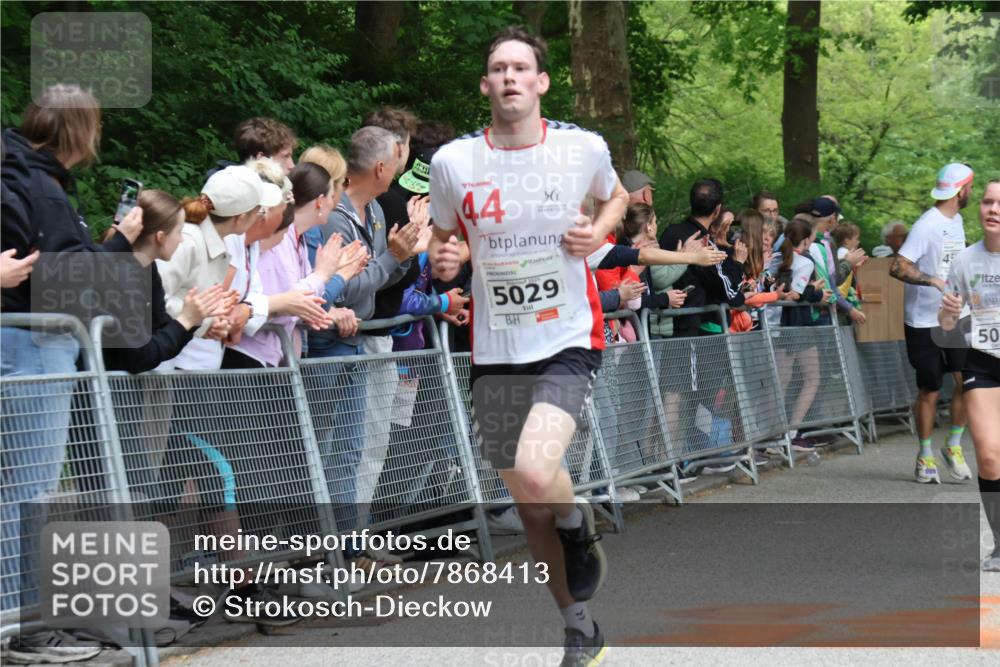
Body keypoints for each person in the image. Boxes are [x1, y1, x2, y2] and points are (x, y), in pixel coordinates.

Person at [428, 27, 628, 666]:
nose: (510, 77)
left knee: (541, 472)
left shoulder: (580, 148)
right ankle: (579, 627)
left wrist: (595, 230)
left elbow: (617, 196)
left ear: (541, 82)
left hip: (568, 334)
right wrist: (446, 260)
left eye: (521, 68)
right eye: (498, 69)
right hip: (495, 345)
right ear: (486, 85)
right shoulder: (454, 163)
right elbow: (442, 244)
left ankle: (580, 525)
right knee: (527, 501)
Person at [1, 83, 136, 664]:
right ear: (83, 132)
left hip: (22, 340)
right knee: (28, 493)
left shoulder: (15, 169)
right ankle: (23, 627)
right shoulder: (43, 189)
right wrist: (121, 245)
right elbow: (67, 282)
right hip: (35, 344)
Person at [891, 163, 975, 484]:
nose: (972, 193)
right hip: (923, 322)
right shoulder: (927, 225)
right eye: (971, 187)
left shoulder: (957, 220)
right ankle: (925, 454)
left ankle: (953, 445)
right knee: (930, 389)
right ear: (961, 189)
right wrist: (933, 282)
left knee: (969, 383)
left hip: (956, 316)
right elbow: (898, 267)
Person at [938, 178, 1000, 571]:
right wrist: (947, 310)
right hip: (983, 362)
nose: (993, 209)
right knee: (991, 457)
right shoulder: (964, 260)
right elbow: (946, 324)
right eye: (988, 202)